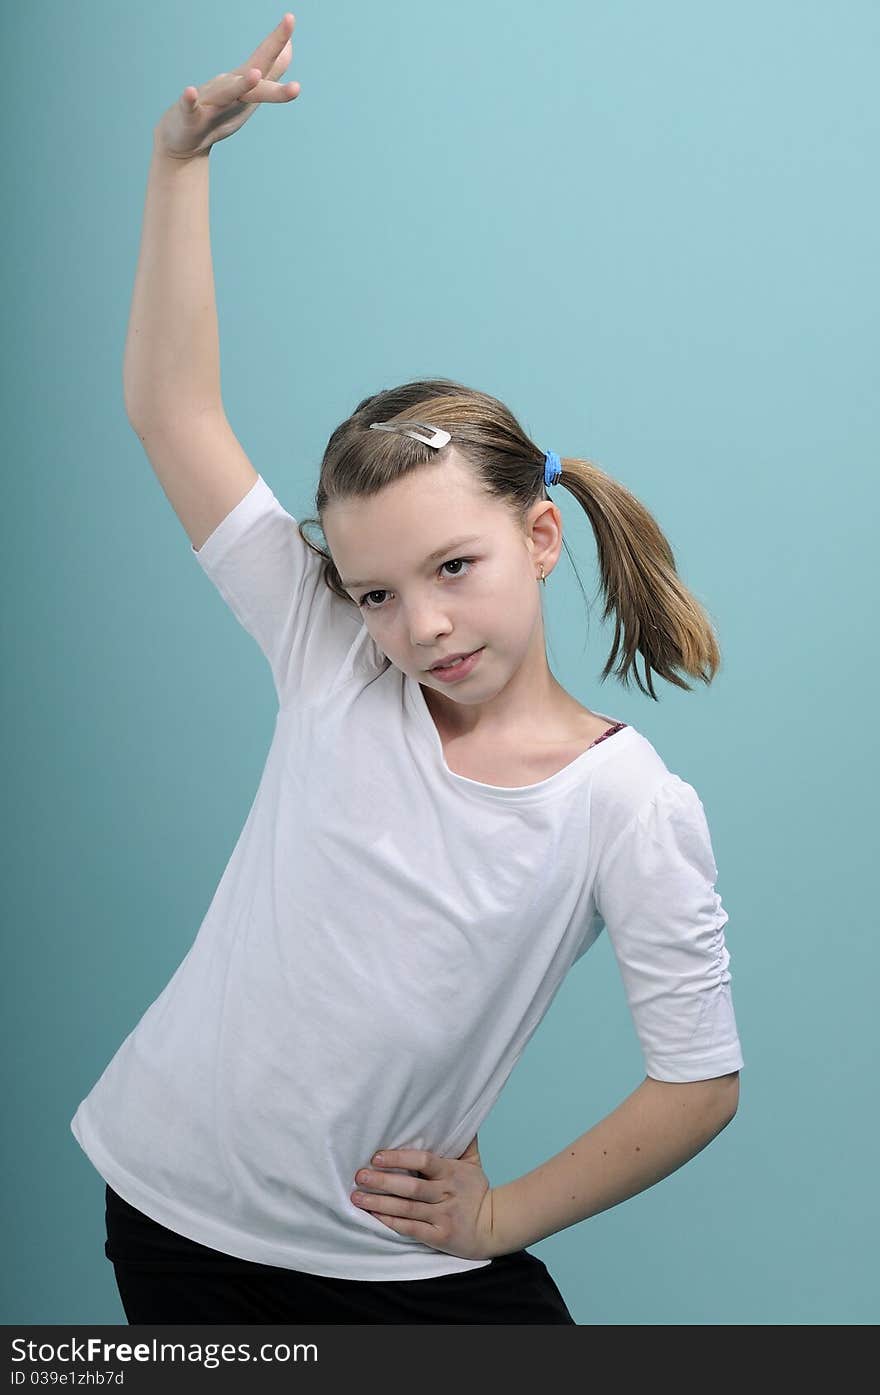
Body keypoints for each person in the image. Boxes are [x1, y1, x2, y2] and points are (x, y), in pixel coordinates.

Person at [71, 14, 744, 1325]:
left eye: (452, 570)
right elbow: (173, 409)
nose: (421, 627)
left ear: (539, 536)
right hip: (168, 1207)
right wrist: (179, 166)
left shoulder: (626, 805)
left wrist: (501, 1218)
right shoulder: (334, 659)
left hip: (386, 1259)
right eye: (376, 594)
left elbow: (700, 1082)